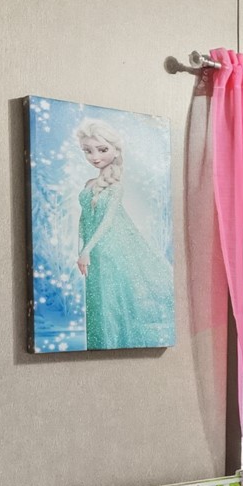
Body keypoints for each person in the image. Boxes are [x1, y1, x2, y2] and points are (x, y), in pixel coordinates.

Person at [73, 118, 174, 348]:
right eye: (87, 151)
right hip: (92, 254)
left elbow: (107, 222)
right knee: (97, 300)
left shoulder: (115, 186)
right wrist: (81, 249)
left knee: (110, 301)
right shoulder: (89, 183)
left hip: (109, 250)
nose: (94, 157)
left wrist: (86, 249)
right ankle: (99, 347)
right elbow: (84, 219)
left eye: (102, 149)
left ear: (115, 150)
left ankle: (113, 344)